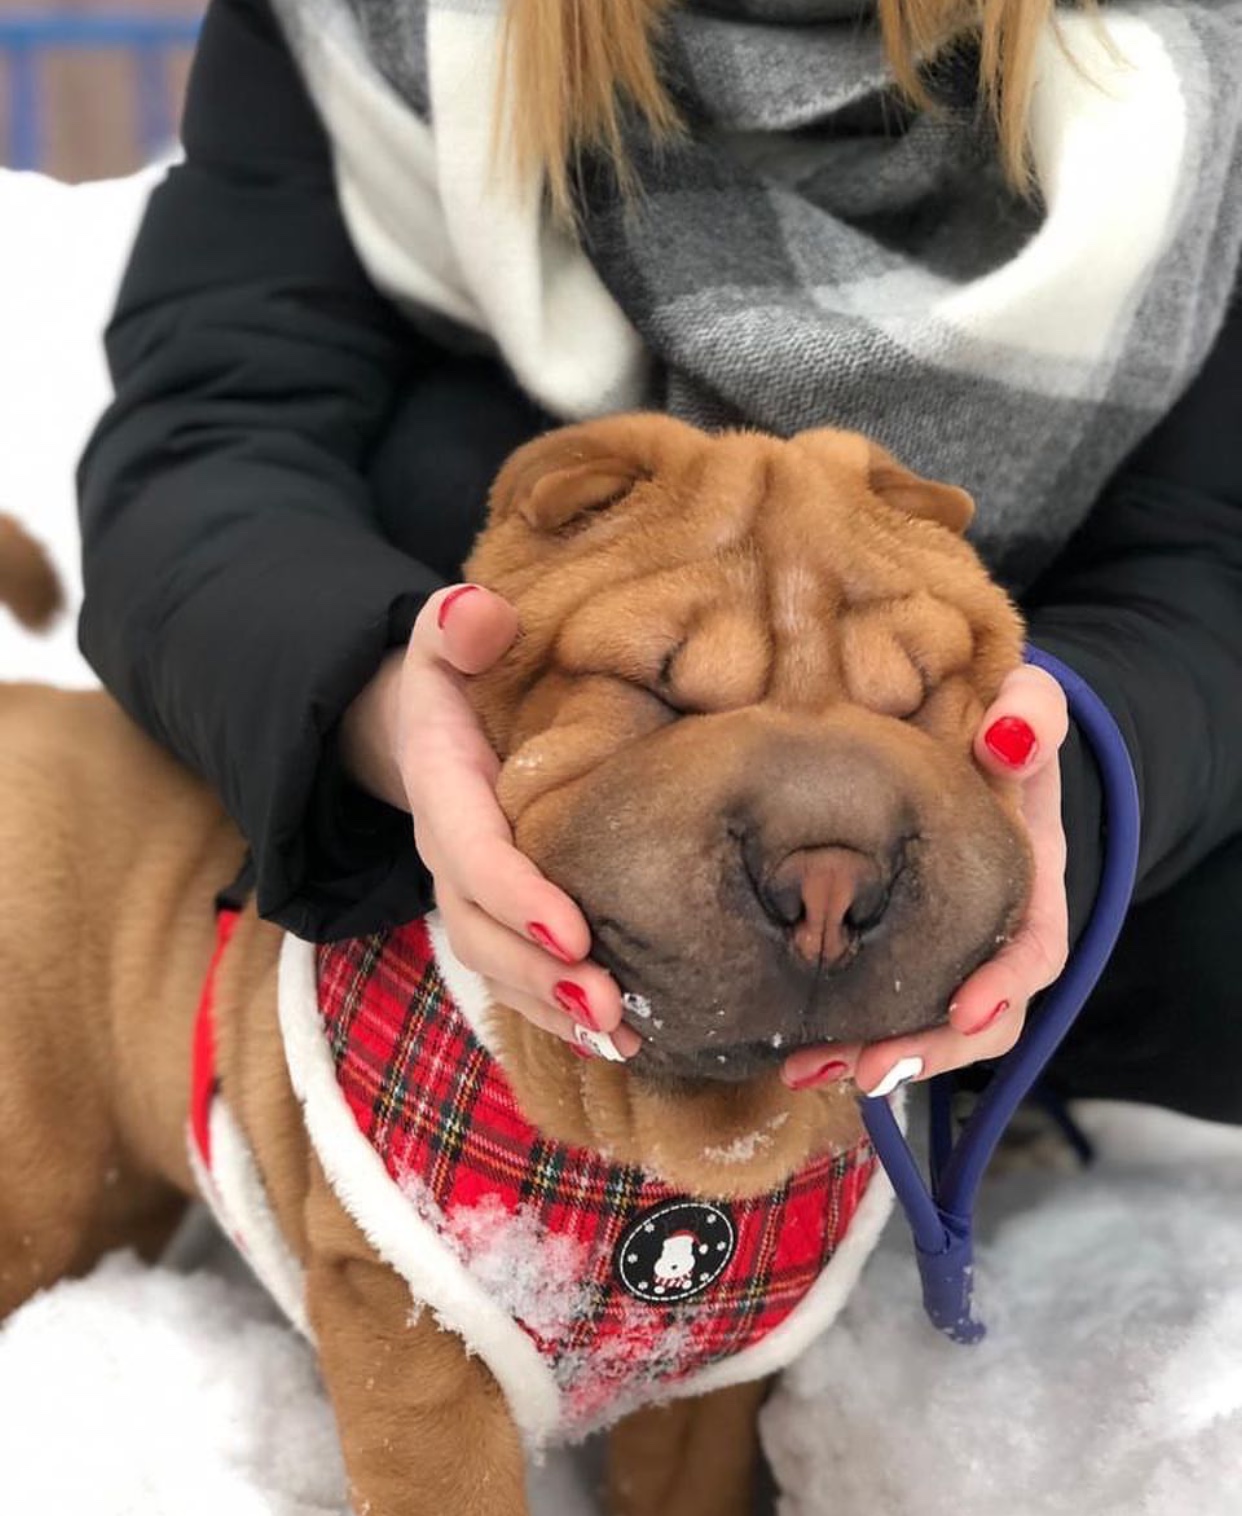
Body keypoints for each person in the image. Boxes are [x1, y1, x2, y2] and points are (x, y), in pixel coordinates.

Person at [78, 0, 1242, 1116]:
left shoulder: (1198, 53)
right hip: (435, 857)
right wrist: (382, 701)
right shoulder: (360, 17)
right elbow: (212, 436)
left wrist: (1075, 780)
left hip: (1039, 849)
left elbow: (1208, 548)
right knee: (442, 461)